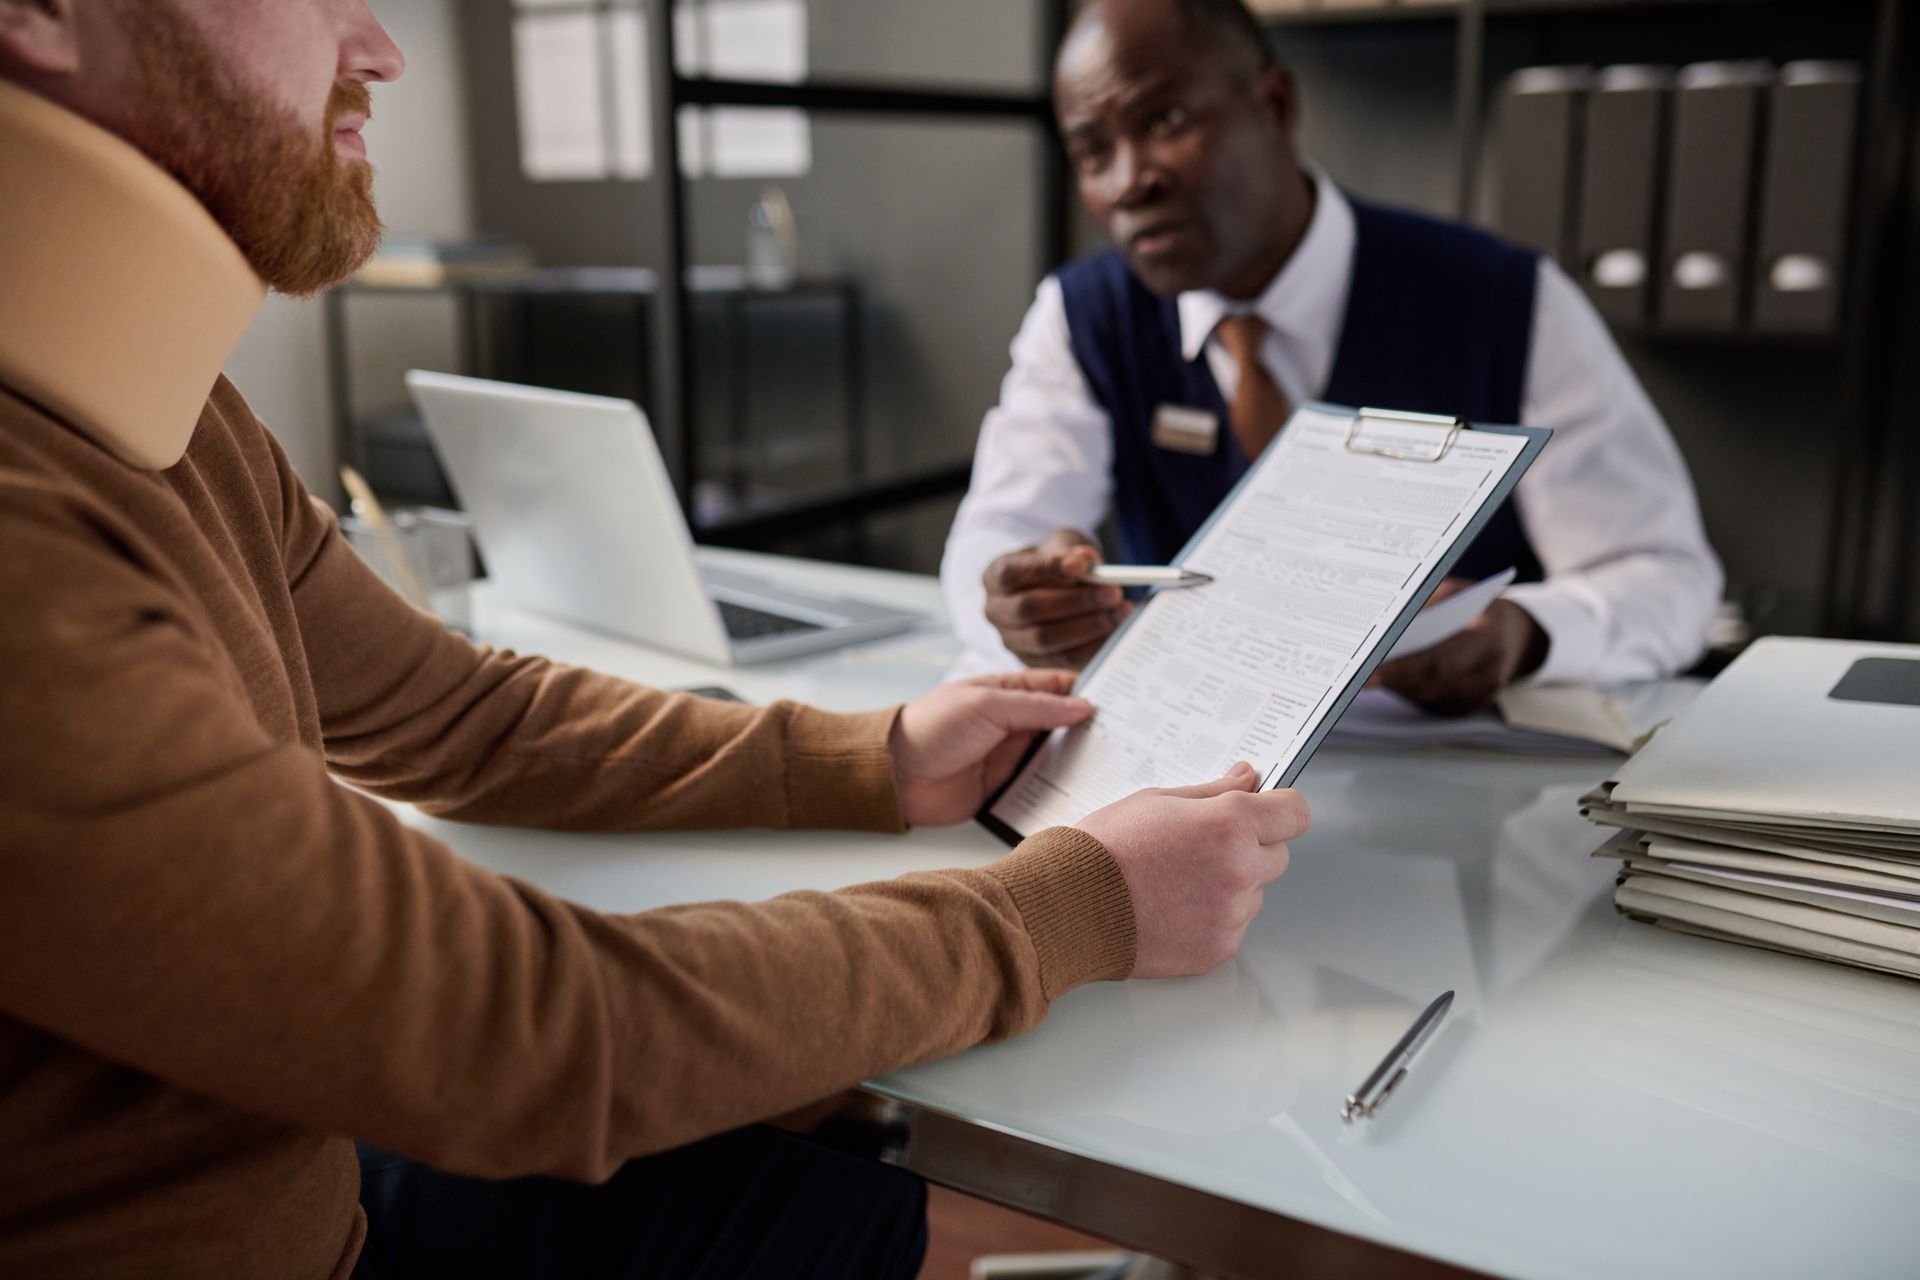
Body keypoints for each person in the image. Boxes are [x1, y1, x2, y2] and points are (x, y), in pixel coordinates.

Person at [0, 2, 1311, 1276]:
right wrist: (1078, 907)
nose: (382, 46)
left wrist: (880, 754)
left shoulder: (170, 418)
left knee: (839, 1202)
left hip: (309, 1200)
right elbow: (514, 1033)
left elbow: (459, 715)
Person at [942, 0, 1724, 714]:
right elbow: (1001, 531)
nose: (1129, 182)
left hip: (1456, 793)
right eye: (1091, 152)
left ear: (1275, 106)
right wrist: (1019, 596)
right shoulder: (1083, 315)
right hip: (1189, 778)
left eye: (1167, 119)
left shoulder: (1505, 300)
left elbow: (1670, 582)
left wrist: (1525, 632)